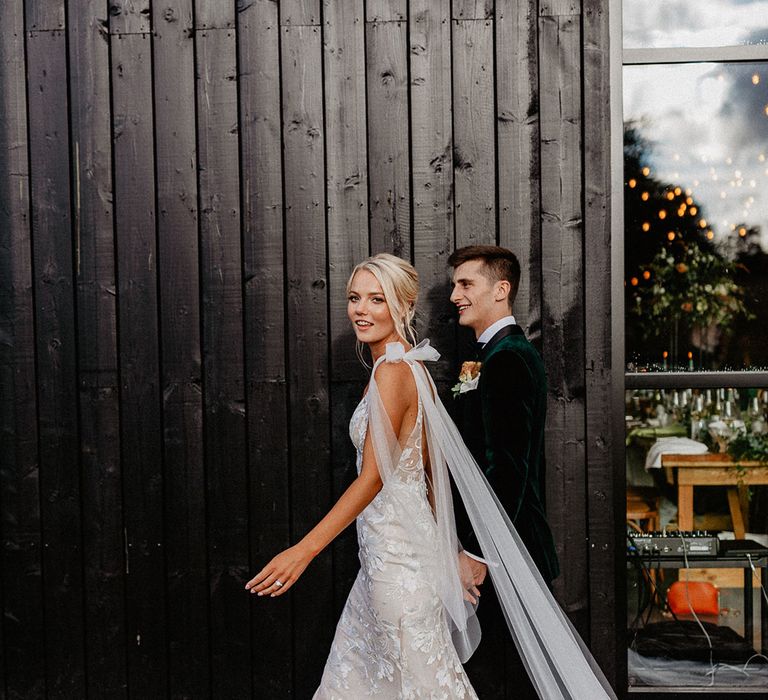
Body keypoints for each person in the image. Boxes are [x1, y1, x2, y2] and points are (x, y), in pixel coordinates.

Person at [246, 253, 616, 700]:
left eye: (376, 299)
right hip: (394, 557)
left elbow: (374, 479)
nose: (360, 309)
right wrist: (448, 551)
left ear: (402, 306)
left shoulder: (395, 373)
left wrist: (302, 552)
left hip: (398, 566)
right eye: (354, 298)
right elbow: (430, 471)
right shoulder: (412, 370)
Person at [448, 245, 559, 699]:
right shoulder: (490, 353)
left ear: (501, 289)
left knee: (504, 683)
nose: (455, 294)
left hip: (506, 555)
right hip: (498, 549)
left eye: (465, 284)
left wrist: (477, 555)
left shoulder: (508, 358)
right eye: (455, 284)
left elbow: (508, 470)